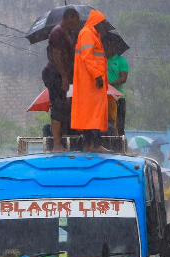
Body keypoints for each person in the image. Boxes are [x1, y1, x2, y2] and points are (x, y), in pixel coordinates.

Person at [72, 10, 113, 153]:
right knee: (94, 113)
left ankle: (90, 144)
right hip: (91, 81)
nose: (103, 26)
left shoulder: (91, 34)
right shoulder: (88, 33)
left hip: (91, 81)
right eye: (102, 23)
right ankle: (95, 144)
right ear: (96, 22)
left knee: (90, 114)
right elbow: (87, 57)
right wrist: (97, 76)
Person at [41, 8, 81, 152]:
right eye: (76, 19)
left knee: (66, 107)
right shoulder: (57, 32)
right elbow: (57, 55)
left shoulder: (68, 33)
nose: (77, 23)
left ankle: (63, 142)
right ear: (69, 17)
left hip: (66, 76)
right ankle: (57, 145)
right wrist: (64, 77)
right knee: (57, 108)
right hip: (55, 74)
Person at [104, 33, 129, 136]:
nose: (105, 47)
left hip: (118, 96)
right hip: (104, 97)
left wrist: (110, 84)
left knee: (119, 123)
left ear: (113, 46)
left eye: (107, 45)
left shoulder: (121, 60)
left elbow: (124, 78)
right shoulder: (101, 60)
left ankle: (120, 142)